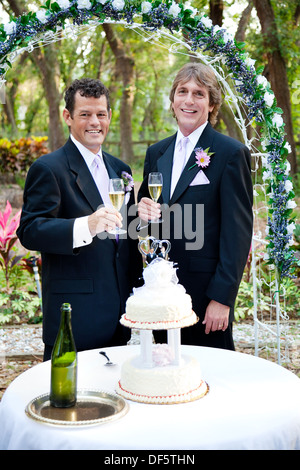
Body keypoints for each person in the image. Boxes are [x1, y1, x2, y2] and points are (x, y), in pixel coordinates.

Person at [17, 78, 142, 360]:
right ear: (68, 117)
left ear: (109, 116)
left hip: (119, 318)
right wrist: (86, 225)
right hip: (74, 318)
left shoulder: (120, 169)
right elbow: (31, 230)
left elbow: (127, 237)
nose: (94, 122)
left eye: (100, 114)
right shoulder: (48, 168)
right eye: (85, 114)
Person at [138, 63, 253, 350]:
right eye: (182, 92)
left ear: (212, 103)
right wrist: (141, 212)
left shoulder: (230, 153)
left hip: (206, 296)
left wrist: (222, 298)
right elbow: (143, 218)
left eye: (199, 94)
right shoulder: (156, 152)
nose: (189, 100)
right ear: (173, 99)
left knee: (210, 377)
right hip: (161, 292)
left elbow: (237, 233)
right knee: (167, 374)